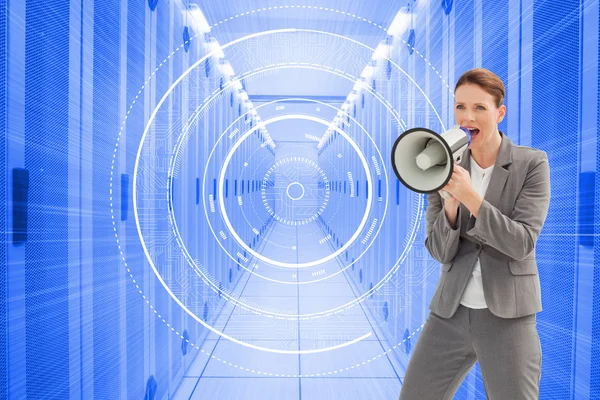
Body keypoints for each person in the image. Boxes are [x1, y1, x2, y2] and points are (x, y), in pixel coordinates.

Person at [399, 68, 551, 400]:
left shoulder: (531, 164)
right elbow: (440, 252)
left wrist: (470, 196)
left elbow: (521, 242)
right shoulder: (443, 164)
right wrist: (451, 207)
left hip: (507, 317)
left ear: (500, 113)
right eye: (460, 107)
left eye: (479, 108)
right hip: (450, 313)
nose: (467, 117)